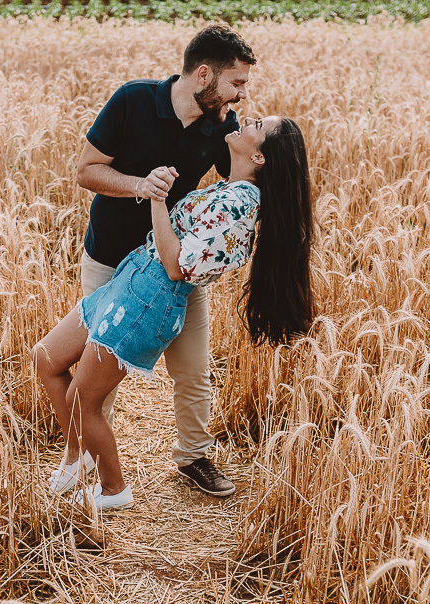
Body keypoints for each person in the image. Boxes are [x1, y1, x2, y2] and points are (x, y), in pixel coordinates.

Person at [32, 116, 314, 511]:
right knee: (46, 357)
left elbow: (176, 266)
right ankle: (79, 457)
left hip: (150, 298)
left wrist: (157, 198)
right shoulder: (230, 189)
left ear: (259, 156)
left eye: (257, 125)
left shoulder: (239, 205)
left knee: (82, 396)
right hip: (132, 278)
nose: (247, 119)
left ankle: (114, 489)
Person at [72, 23, 256, 498]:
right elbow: (86, 170)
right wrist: (140, 186)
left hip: (174, 270)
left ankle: (193, 456)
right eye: (236, 83)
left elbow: (240, 182)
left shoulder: (223, 125)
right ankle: (95, 465)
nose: (241, 95)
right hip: (110, 260)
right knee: (97, 377)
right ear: (203, 75)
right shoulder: (132, 100)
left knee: (193, 369)